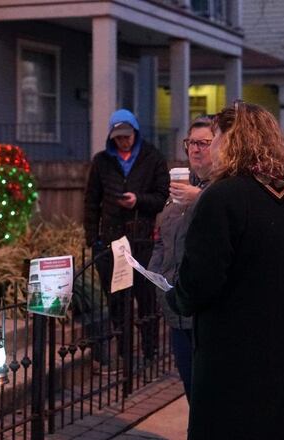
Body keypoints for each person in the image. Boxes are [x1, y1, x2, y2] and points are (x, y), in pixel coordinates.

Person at [167, 101, 284, 439]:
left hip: (231, 355)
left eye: (218, 136)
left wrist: (176, 297)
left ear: (232, 139)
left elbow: (200, 281)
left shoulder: (223, 196)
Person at [83, 109, 169, 373]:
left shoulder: (152, 157)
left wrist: (138, 200)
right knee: (118, 300)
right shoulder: (101, 162)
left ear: (135, 133)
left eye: (128, 136)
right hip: (111, 239)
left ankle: (150, 352)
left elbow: (161, 195)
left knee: (145, 299)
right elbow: (91, 202)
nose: (124, 141)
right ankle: (124, 355)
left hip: (141, 237)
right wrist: (93, 239)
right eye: (119, 137)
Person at [147, 116, 214, 399]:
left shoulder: (223, 190)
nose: (195, 149)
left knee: (210, 393)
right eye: (191, 143)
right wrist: (154, 272)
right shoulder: (177, 191)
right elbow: (162, 239)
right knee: (190, 387)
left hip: (205, 313)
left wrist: (199, 197)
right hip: (176, 310)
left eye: (204, 143)